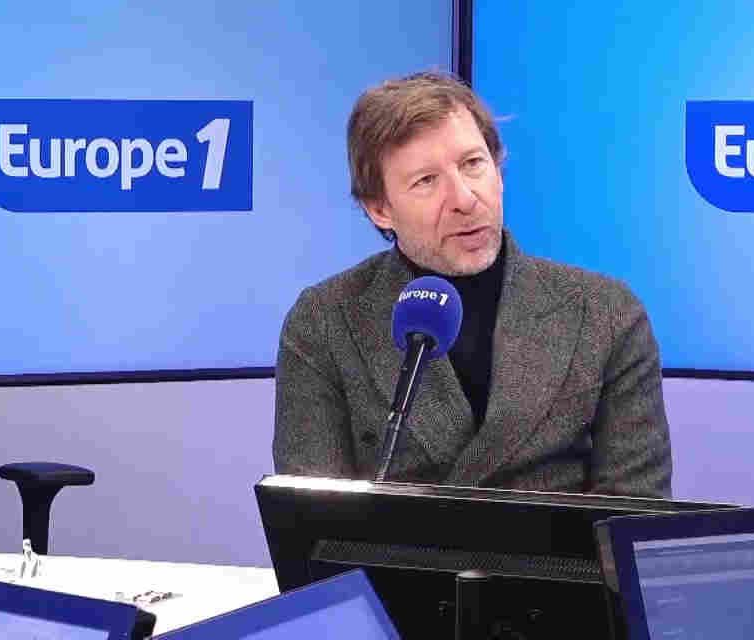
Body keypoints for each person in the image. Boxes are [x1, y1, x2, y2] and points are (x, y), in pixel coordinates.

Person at [273, 71, 671, 497]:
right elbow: (313, 520)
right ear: (379, 209)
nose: (464, 199)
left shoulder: (606, 314)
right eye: (426, 181)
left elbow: (633, 514)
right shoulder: (325, 322)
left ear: (498, 171)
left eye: (473, 164)